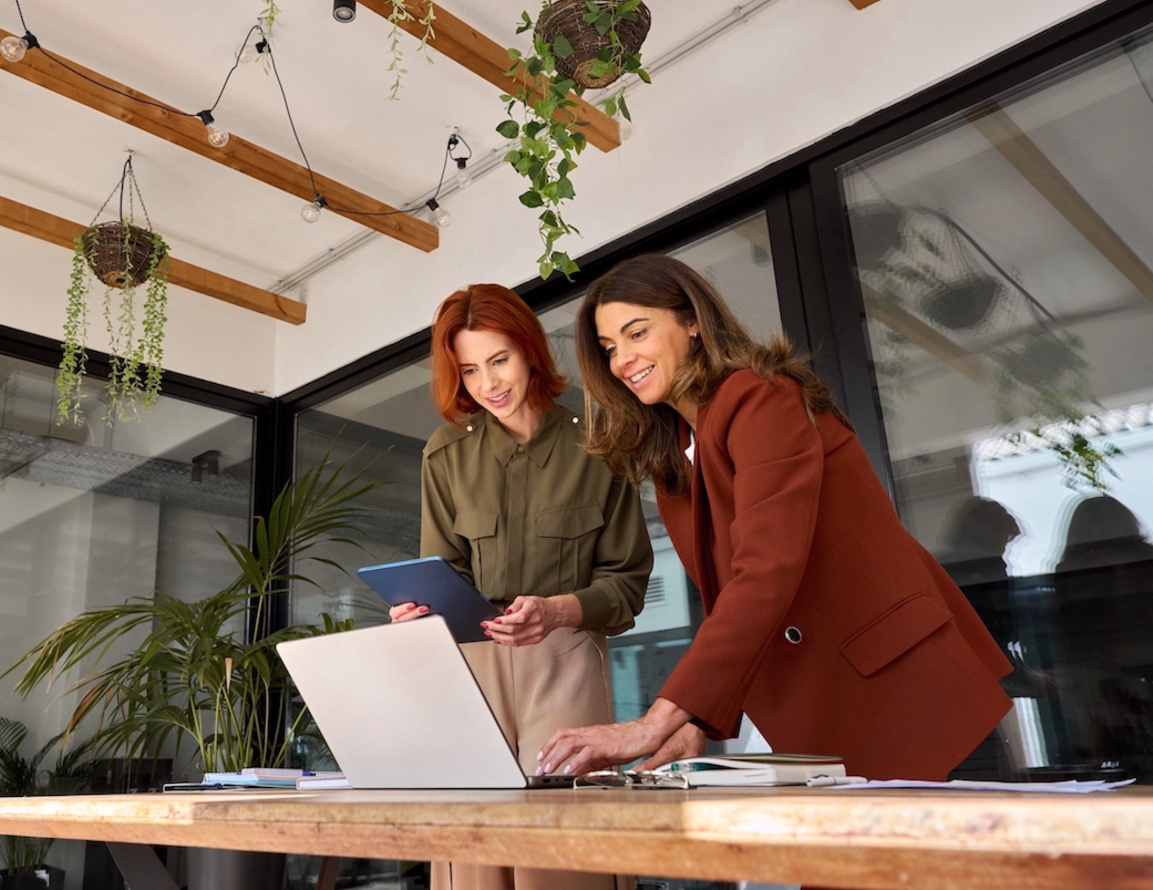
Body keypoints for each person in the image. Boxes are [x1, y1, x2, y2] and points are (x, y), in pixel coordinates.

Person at [535, 255, 1013, 782]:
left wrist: (657, 719)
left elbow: (767, 570)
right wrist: (697, 719)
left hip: (907, 690)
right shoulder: (675, 454)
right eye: (609, 349)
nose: (623, 359)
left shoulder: (761, 396)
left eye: (637, 333)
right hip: (819, 702)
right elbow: (735, 603)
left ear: (692, 321)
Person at [392, 283, 653, 890]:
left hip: (565, 662)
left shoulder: (600, 440)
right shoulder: (445, 455)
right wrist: (421, 611)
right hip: (471, 669)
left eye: (499, 359)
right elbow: (445, 570)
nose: (489, 384)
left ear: (531, 351)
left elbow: (629, 584)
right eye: (470, 369)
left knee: (561, 859)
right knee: (471, 856)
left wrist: (561, 610)